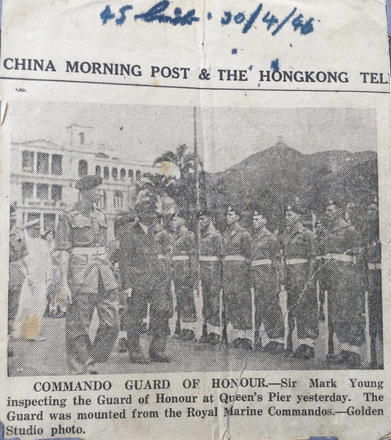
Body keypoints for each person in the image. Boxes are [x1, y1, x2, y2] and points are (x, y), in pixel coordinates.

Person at [55, 175, 120, 374]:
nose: (100, 192)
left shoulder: (101, 216)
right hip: (80, 274)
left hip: (103, 273)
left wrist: (109, 262)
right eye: (96, 189)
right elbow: (63, 251)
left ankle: (90, 357)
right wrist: (63, 284)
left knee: (112, 324)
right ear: (84, 191)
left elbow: (106, 245)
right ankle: (81, 369)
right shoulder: (68, 216)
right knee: (78, 324)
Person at [118, 199, 173, 363]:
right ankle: (134, 352)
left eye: (154, 213)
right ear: (140, 215)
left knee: (161, 314)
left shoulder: (152, 233)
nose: (153, 216)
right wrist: (126, 285)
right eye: (149, 213)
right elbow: (124, 261)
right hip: (137, 283)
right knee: (135, 317)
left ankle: (157, 350)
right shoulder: (129, 233)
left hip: (155, 282)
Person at [322, 200, 364, 368]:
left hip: (347, 278)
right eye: (327, 210)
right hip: (333, 277)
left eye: (331, 210)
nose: (328, 213)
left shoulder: (349, 230)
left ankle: (355, 351)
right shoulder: (328, 231)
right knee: (337, 314)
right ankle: (345, 348)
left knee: (351, 313)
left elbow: (358, 253)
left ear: (338, 211)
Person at [280, 205, 318, 360]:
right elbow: (285, 259)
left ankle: (309, 344)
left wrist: (310, 279)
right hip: (291, 279)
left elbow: (313, 259)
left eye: (290, 215)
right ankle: (300, 343)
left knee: (307, 310)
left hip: (303, 277)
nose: (287, 218)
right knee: (294, 310)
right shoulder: (286, 235)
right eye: (286, 215)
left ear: (298, 216)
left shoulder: (307, 234)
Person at [12, 219, 53, 342]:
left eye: (38, 229)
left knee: (40, 306)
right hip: (28, 277)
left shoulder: (42, 242)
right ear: (28, 229)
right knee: (24, 305)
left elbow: (48, 261)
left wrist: (49, 278)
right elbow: (20, 260)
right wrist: (27, 276)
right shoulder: (22, 241)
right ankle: (16, 331)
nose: (37, 231)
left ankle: (32, 332)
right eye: (34, 229)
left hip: (41, 278)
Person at [251, 210, 284, 353]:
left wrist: (277, 281)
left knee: (272, 308)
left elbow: (277, 260)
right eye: (253, 219)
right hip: (257, 278)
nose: (254, 221)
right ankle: (266, 339)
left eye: (258, 219)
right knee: (261, 308)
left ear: (265, 221)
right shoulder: (254, 238)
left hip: (268, 278)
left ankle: (278, 340)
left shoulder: (270, 238)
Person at [222, 205, 252, 350]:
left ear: (238, 217)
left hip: (240, 274)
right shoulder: (225, 234)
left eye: (232, 214)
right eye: (227, 215)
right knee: (232, 302)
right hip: (228, 274)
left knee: (242, 302)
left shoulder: (244, 234)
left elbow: (248, 257)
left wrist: (245, 275)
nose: (229, 217)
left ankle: (245, 335)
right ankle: (236, 334)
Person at [170, 213, 197, 341]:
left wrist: (192, 272)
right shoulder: (174, 236)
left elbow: (193, 255)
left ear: (183, 220)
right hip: (176, 271)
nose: (173, 222)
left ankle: (189, 328)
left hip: (185, 270)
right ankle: (181, 326)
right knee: (180, 299)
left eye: (176, 219)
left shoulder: (189, 235)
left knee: (187, 299)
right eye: (172, 220)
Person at [198, 210, 223, 345]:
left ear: (210, 219)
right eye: (200, 220)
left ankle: (215, 332)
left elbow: (220, 256)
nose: (201, 222)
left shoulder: (215, 236)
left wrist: (219, 275)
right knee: (206, 303)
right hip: (205, 274)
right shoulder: (203, 236)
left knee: (214, 303)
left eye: (203, 219)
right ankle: (207, 331)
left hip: (213, 273)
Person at [364, 199, 382, 368]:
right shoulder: (367, 233)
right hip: (372, 279)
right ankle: (374, 359)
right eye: (368, 210)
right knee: (373, 320)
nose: (370, 213)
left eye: (373, 210)